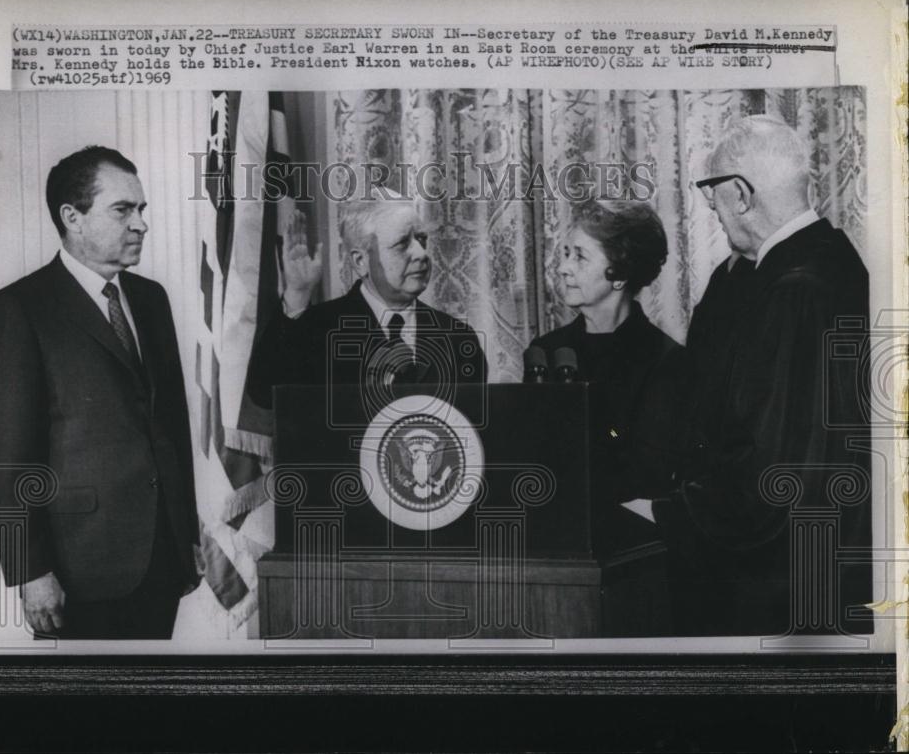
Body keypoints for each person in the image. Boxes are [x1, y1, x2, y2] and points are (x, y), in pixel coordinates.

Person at [655, 115, 873, 636]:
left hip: (780, 587)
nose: (712, 209)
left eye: (713, 194)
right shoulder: (835, 265)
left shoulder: (794, 291)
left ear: (740, 194)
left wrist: (669, 513)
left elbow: (775, 476)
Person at [0, 146, 200, 639]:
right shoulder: (21, 307)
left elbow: (172, 427)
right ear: (72, 217)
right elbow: (11, 457)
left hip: (160, 559)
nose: (141, 224)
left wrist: (185, 535)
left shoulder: (152, 300)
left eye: (141, 209)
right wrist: (29, 571)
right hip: (77, 568)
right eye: (123, 209)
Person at [523, 200, 681, 555]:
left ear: (620, 274)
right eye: (564, 254)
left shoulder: (666, 362)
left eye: (579, 256)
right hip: (553, 542)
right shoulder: (544, 351)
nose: (562, 268)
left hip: (629, 549)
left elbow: (644, 474)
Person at [247, 191, 487, 411]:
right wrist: (297, 294)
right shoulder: (316, 329)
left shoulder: (457, 339)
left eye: (421, 240)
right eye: (403, 243)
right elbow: (264, 395)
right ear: (361, 261)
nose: (421, 254)